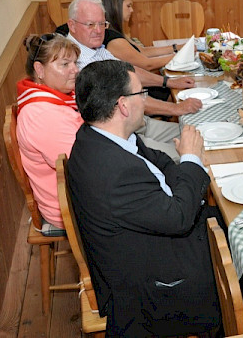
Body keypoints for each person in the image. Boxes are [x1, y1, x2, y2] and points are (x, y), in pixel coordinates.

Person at [68, 59, 221, 336]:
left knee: (235, 222)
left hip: (146, 242)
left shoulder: (102, 135)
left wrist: (182, 182)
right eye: (141, 93)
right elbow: (179, 219)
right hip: (153, 290)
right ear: (123, 105)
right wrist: (190, 159)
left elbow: (160, 161)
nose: (145, 100)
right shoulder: (113, 172)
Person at [65, 0, 201, 160]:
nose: (99, 30)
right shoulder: (75, 61)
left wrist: (168, 82)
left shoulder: (94, 48)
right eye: (91, 24)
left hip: (139, 124)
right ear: (72, 25)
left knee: (201, 136)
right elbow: (129, 96)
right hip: (126, 137)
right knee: (194, 153)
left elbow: (128, 74)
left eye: (102, 24)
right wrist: (176, 109)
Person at [16, 33, 82, 235]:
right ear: (39, 70)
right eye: (65, 64)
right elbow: (83, 167)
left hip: (73, 194)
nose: (75, 70)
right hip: (67, 207)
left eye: (75, 63)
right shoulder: (43, 115)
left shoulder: (54, 98)